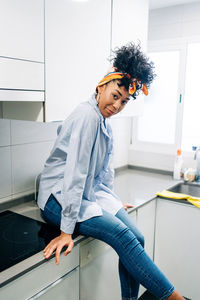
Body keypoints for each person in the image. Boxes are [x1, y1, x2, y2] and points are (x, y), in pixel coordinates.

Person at [37, 43, 184, 300]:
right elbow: (74, 175)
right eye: (115, 96)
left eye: (124, 101)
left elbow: (103, 175)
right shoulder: (87, 116)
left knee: (137, 238)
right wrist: (65, 231)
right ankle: (175, 298)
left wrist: (112, 204)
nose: (117, 106)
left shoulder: (103, 120)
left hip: (84, 194)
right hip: (57, 199)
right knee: (123, 236)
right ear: (101, 86)